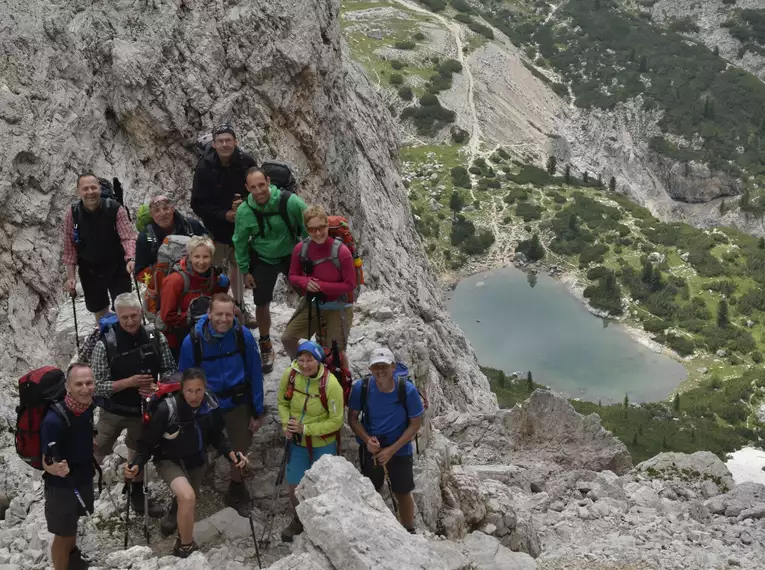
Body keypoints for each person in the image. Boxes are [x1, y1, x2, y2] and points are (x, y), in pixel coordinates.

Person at [125, 367, 249, 558]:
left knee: (188, 500)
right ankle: (185, 547)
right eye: (190, 391)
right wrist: (137, 464)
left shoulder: (210, 405)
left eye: (199, 390)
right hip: (168, 460)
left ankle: (179, 531)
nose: (194, 396)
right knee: (188, 497)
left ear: (205, 388)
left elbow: (216, 436)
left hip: (197, 460)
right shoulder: (167, 409)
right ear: (182, 390)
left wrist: (231, 453)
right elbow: (146, 443)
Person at [178, 293, 264, 517]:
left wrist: (257, 410)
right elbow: (184, 379)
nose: (224, 319)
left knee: (241, 445)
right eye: (219, 314)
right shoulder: (193, 341)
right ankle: (185, 494)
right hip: (205, 403)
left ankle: (236, 487)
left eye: (228, 314)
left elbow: (255, 372)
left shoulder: (242, 335)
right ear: (209, 314)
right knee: (194, 446)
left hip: (237, 400)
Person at [92, 293, 175, 518]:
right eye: (124, 317)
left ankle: (137, 493)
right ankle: (80, 485)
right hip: (113, 410)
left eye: (134, 315)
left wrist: (157, 388)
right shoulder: (105, 343)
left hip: (144, 409)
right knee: (97, 448)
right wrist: (128, 383)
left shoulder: (155, 337)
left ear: (141, 313)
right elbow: (96, 386)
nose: (130, 321)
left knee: (138, 452)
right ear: (116, 316)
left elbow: (169, 370)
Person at [232, 167, 307, 373]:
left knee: (309, 295)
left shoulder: (290, 202)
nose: (258, 191)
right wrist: (245, 270)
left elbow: (309, 227)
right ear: (247, 188)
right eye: (253, 187)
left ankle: (311, 337)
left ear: (268, 182)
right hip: (262, 258)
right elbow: (239, 242)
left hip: (291, 253)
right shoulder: (245, 211)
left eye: (261, 185)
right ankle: (265, 344)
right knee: (261, 302)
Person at [348, 347, 424, 534]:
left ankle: (409, 530)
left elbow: (415, 424)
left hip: (399, 448)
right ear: (370, 368)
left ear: (393, 367)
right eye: (376, 367)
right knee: (371, 491)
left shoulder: (406, 390)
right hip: (372, 447)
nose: (380, 371)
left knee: (403, 493)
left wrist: (391, 450)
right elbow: (352, 418)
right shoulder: (361, 387)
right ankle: (374, 531)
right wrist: (367, 440)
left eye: (384, 366)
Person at [276, 339, 344, 542]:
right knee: (294, 485)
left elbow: (336, 421)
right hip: (297, 442)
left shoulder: (331, 385)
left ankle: (324, 524)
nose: (304, 364)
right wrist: (287, 424)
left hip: (323, 444)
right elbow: (282, 402)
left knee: (324, 487)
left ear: (319, 361)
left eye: (310, 360)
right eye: (301, 359)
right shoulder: (290, 375)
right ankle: (298, 520)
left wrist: (305, 429)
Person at [191, 123, 257, 327]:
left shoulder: (246, 162)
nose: (225, 144)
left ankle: (239, 306)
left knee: (238, 268)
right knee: (214, 272)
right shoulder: (204, 167)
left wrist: (246, 205)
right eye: (220, 141)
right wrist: (224, 214)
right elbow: (197, 203)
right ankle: (214, 309)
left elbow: (257, 191)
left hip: (241, 230)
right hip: (217, 230)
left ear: (235, 142)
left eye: (228, 140)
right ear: (214, 144)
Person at [282, 205, 355, 368]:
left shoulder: (342, 252)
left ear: (327, 225)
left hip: (338, 305)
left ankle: (341, 383)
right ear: (306, 229)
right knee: (288, 338)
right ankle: (304, 367)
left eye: (321, 227)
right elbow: (293, 275)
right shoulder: (301, 249)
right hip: (313, 303)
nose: (318, 233)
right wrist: (304, 282)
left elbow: (350, 285)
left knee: (336, 352)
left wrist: (320, 286)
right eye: (312, 229)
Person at [41, 363, 96, 570]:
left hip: (82, 475)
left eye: (89, 383)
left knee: (72, 527)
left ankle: (73, 561)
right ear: (68, 387)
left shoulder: (87, 406)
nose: (85, 388)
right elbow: (45, 459)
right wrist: (54, 469)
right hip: (61, 486)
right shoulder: (53, 421)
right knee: (63, 536)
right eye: (79, 384)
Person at [62, 173, 137, 323]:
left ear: (100, 189)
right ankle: (107, 337)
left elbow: (127, 237)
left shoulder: (115, 209)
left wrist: (131, 258)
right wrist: (71, 277)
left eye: (93, 187)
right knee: (99, 310)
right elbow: (69, 248)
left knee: (123, 306)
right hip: (89, 269)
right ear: (78, 191)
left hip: (117, 265)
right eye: (85, 189)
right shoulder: (72, 213)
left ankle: (125, 338)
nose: (90, 192)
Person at [156, 237, 230, 360]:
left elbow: (218, 300)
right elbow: (167, 316)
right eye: (197, 257)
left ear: (211, 258)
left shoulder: (213, 277)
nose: (201, 262)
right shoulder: (175, 281)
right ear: (189, 256)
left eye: (206, 257)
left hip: (204, 334)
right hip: (178, 338)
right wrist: (191, 316)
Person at [134, 194, 207, 280]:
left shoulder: (191, 226)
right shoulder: (145, 238)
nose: (162, 213)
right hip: (165, 286)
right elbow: (139, 274)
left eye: (166, 208)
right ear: (151, 214)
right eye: (157, 210)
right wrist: (161, 269)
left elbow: (209, 250)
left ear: (172, 208)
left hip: (197, 281)